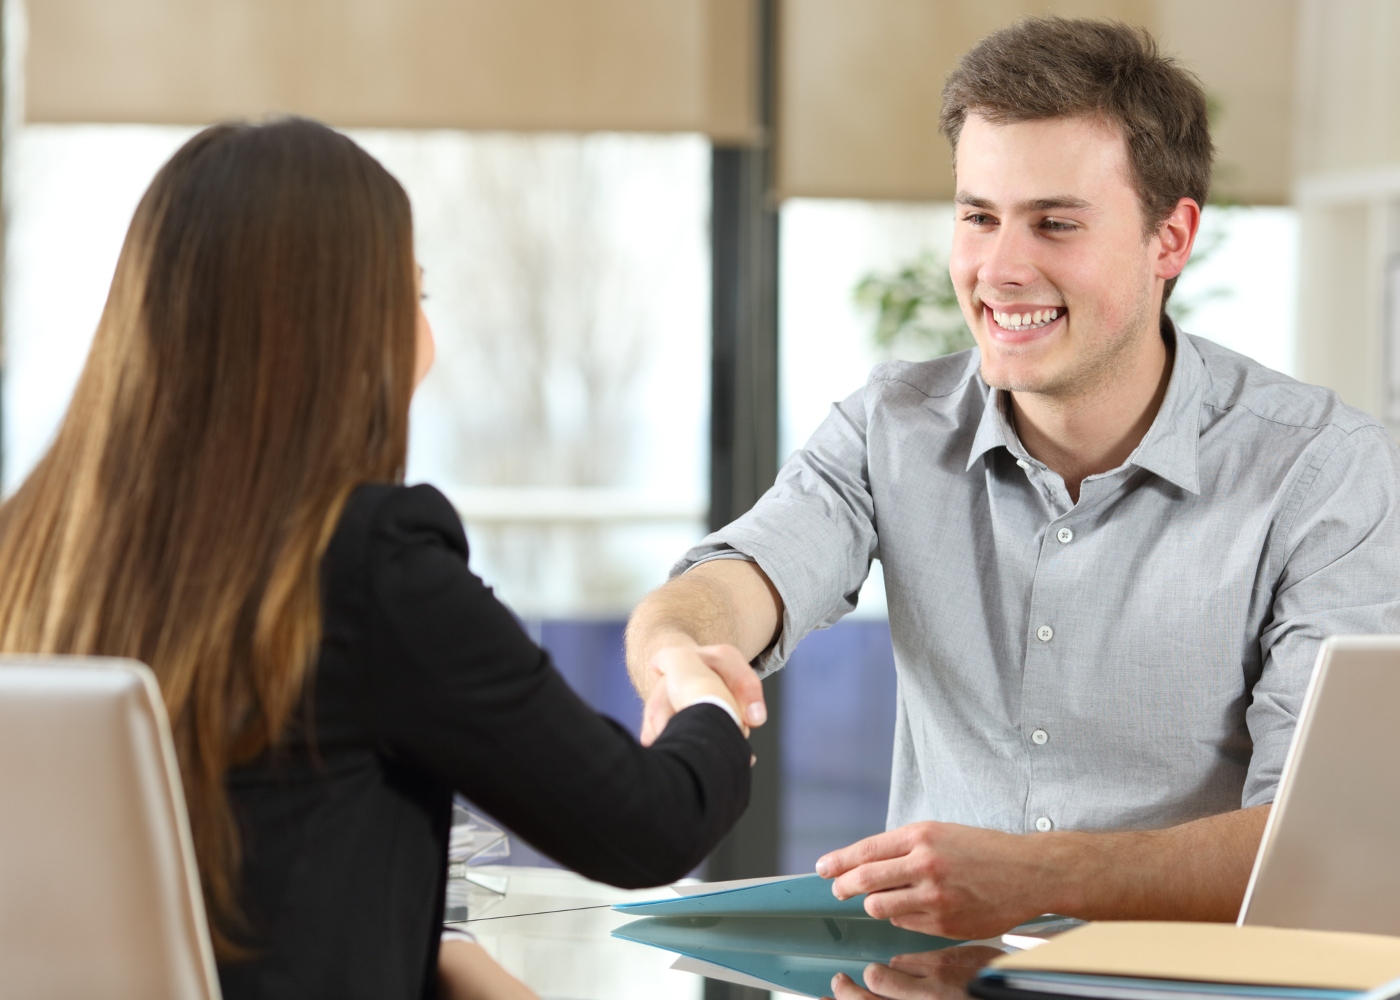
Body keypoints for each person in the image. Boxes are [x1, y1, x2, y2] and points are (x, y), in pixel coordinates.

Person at [626, 12, 1400, 970]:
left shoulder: (1326, 474)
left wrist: (1043, 876)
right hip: (930, 983)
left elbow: (1316, 845)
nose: (999, 269)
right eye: (978, 216)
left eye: (1055, 223)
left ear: (1172, 238)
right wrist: (679, 652)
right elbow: (739, 576)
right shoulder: (892, 425)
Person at [0, 117, 753, 1000]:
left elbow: (228, 880)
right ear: (346, 331)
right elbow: (646, 825)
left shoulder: (30, 547)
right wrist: (707, 700)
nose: (426, 343)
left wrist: (434, 956)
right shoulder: (365, 566)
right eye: (416, 299)